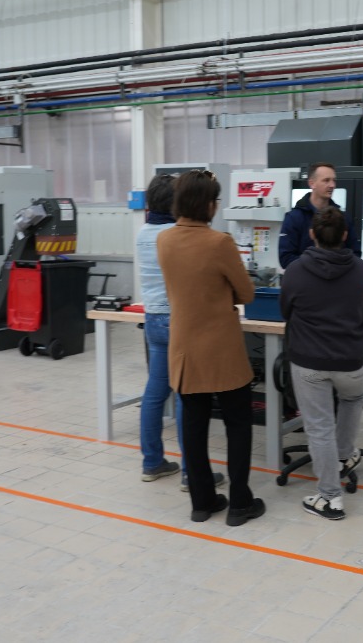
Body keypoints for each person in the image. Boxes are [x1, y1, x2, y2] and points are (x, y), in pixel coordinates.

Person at [158, 169, 265, 527]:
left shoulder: (164, 240)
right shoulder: (219, 242)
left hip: (185, 350)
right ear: (206, 203)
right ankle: (239, 503)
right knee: (238, 424)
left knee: (193, 426)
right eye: (216, 199)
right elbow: (247, 292)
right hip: (221, 350)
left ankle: (202, 502)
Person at [135, 173, 225, 490]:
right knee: (190, 398)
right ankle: (192, 473)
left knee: (155, 395)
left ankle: (152, 462)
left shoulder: (143, 232)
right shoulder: (174, 234)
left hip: (153, 320)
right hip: (179, 321)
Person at [279, 206, 363, 520]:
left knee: (319, 428)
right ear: (345, 235)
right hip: (350, 361)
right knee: (353, 398)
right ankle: (344, 456)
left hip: (309, 362)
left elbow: (286, 311)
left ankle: (330, 498)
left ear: (312, 234)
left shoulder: (295, 271)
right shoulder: (360, 269)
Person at [279, 161, 360, 269]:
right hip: (306, 283)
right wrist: (321, 268)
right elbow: (286, 258)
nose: (332, 185)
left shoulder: (343, 218)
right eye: (326, 180)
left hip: (337, 281)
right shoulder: (294, 218)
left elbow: (356, 254)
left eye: (333, 180)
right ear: (312, 183)